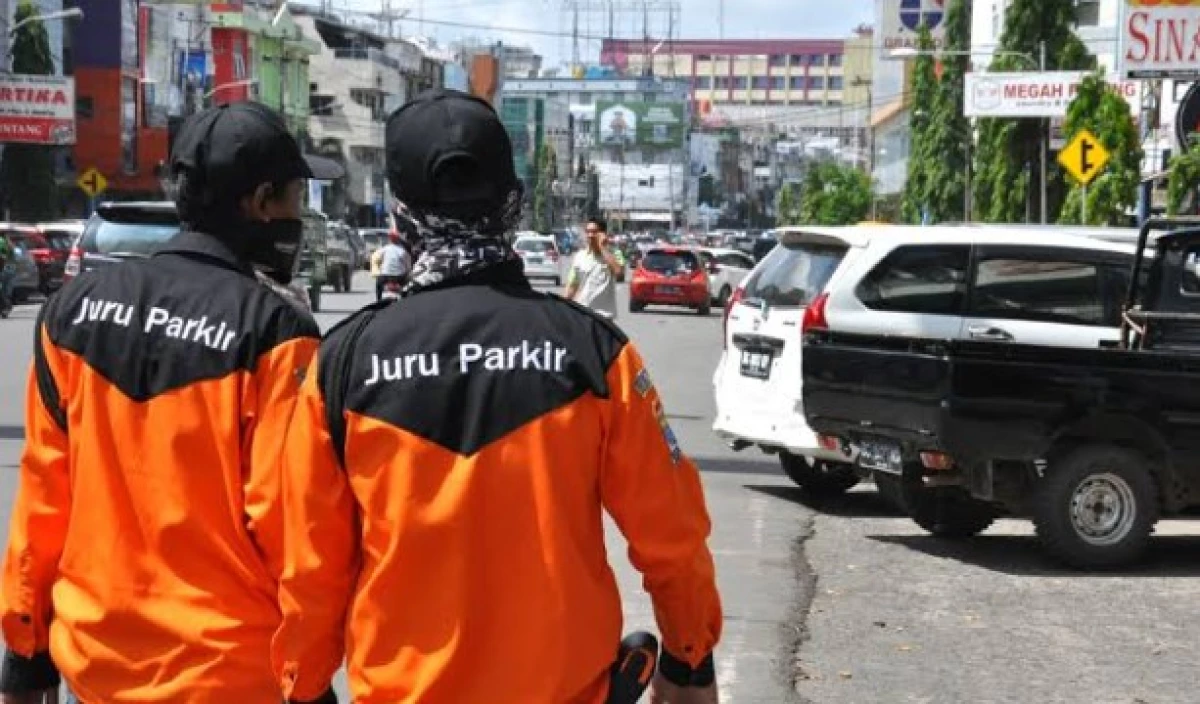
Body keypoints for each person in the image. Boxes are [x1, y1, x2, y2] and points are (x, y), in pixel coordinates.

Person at [272, 89, 723, 704]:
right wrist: (689, 661)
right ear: (512, 202)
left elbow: (310, 569)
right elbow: (672, 537)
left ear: (402, 216)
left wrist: (304, 683)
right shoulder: (595, 355)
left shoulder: (342, 365)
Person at [0, 102, 339, 704]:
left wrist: (25, 658)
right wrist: (308, 681)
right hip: (227, 677)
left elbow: (44, 497)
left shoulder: (73, 312)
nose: (298, 216)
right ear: (260, 203)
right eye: (294, 198)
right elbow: (294, 531)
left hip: (96, 670)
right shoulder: (275, 334)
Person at [565, 217, 624, 320]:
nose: (590, 235)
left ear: (603, 234)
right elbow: (572, 285)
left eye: (594, 232)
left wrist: (603, 248)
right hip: (583, 315)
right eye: (588, 232)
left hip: (604, 318)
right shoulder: (579, 256)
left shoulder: (615, 254)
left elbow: (619, 273)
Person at [377, 230, 410, 297]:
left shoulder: (385, 249)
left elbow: (379, 259)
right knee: (407, 288)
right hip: (399, 276)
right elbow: (408, 265)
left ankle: (379, 299)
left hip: (385, 275)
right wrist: (408, 272)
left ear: (389, 239)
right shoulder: (402, 251)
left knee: (378, 285)